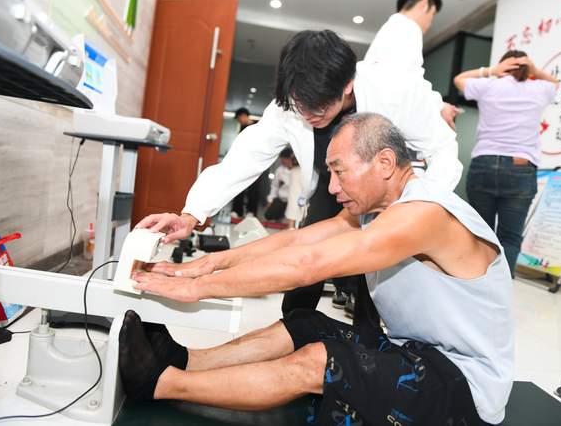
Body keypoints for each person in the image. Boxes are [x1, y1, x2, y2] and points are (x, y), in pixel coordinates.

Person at [120, 113, 514, 426]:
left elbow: (307, 264)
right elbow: (296, 242)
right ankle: (185, 359)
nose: (332, 188)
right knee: (305, 323)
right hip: (413, 353)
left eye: (340, 172)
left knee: (320, 361)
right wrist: (202, 266)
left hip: (463, 390)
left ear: (384, 163)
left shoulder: (425, 213)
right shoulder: (376, 211)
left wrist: (197, 288)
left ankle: (161, 384)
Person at [135, 30, 461, 326]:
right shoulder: (291, 105)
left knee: (375, 285)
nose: (306, 114)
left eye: (317, 108)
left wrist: (414, 210)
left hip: (389, 194)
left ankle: (365, 336)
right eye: (299, 105)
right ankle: (294, 327)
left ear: (347, 85)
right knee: (302, 267)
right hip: (326, 189)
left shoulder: (393, 90)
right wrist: (191, 214)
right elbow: (245, 157)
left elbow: (444, 150)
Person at [453, 50, 558, 276]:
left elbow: (458, 79)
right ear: (528, 69)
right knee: (510, 238)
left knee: (481, 234)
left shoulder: (489, 85)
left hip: (484, 164)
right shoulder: (539, 88)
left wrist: (491, 71)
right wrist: (535, 70)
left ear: (503, 67)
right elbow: (555, 84)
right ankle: (502, 289)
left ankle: (477, 285)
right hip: (521, 168)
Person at [365, 0, 460, 130]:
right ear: (424, 4)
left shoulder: (392, 27)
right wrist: (441, 106)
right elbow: (410, 80)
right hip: (383, 125)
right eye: (432, 15)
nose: (430, 23)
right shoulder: (408, 27)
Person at [231, 107, 261, 217]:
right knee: (239, 185)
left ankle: (251, 212)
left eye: (239, 119)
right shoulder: (242, 129)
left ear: (243, 116)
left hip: (257, 161)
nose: (239, 121)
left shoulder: (259, 126)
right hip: (243, 161)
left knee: (254, 187)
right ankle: (237, 211)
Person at [264, 148, 295, 221]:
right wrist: (270, 200)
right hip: (281, 200)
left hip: (292, 201)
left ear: (289, 159)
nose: (282, 161)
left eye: (284, 159)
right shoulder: (280, 170)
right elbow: (274, 186)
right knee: (268, 215)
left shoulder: (298, 171)